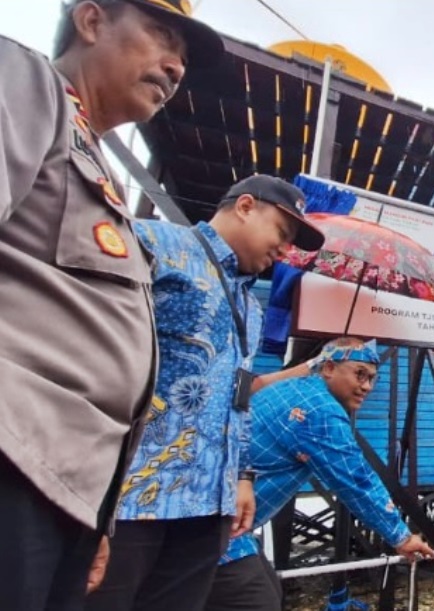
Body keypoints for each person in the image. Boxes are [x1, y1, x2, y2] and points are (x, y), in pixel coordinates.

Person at [0, 1, 222, 608]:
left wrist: (97, 512)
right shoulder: (21, 81)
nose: (176, 67)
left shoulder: (98, 164)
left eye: (183, 56)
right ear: (92, 21)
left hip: (66, 490)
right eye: (162, 36)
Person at [87, 175, 325, 611]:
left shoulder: (250, 308)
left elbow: (237, 397)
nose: (285, 251)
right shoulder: (153, 244)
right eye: (282, 233)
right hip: (132, 498)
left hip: (207, 509)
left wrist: (242, 476)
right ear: (246, 206)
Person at [205, 338, 434, 611]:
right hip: (215, 530)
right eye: (359, 374)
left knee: (267, 588)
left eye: (372, 378)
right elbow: (355, 481)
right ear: (328, 368)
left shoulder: (293, 387)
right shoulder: (320, 411)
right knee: (257, 601)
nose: (367, 386)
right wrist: (402, 537)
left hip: (216, 520)